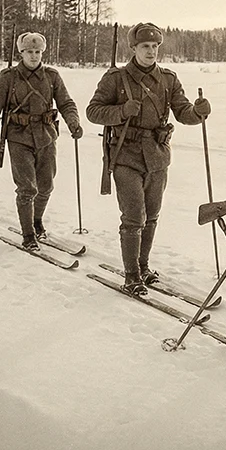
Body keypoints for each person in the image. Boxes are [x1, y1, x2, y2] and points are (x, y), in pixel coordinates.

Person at [85, 23, 211, 294]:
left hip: (156, 156)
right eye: (145, 47)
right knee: (133, 217)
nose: (151, 51)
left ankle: (142, 266)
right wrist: (121, 111)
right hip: (125, 155)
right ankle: (131, 276)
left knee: (151, 216)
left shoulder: (168, 79)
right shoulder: (115, 79)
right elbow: (93, 112)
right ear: (133, 48)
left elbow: (183, 112)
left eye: (155, 47)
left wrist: (198, 112)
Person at [0, 32, 83, 250]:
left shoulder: (52, 76)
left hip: (46, 136)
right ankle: (28, 235)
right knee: (27, 188)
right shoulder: (8, 77)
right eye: (30, 52)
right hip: (19, 138)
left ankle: (36, 221)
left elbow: (66, 103)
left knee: (46, 186)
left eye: (38, 52)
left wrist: (73, 123)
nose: (34, 56)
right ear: (22, 53)